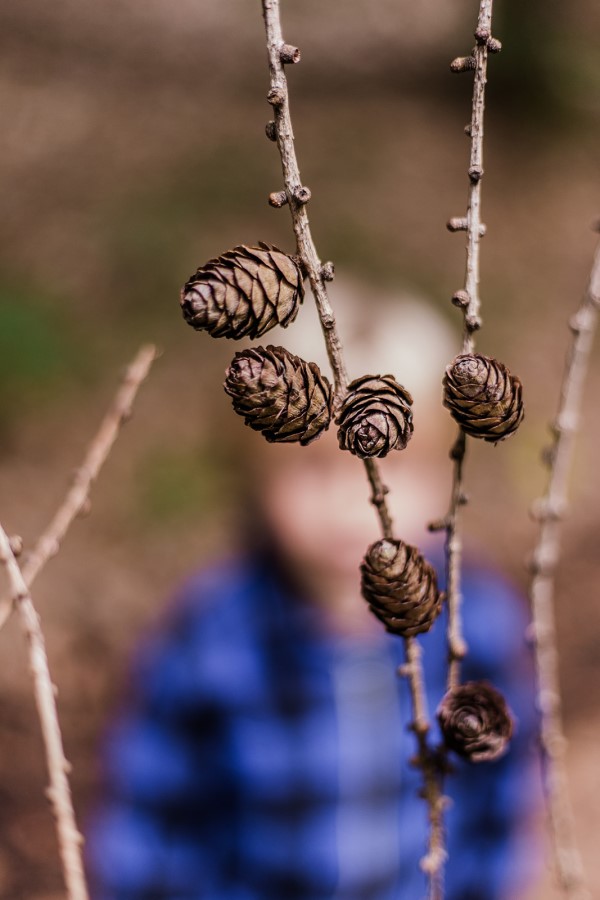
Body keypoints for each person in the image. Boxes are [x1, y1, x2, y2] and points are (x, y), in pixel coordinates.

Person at [86, 282, 540, 899]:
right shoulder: (209, 637)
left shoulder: (476, 622)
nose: (352, 500)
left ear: (446, 468)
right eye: (311, 465)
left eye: (390, 460)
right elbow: (147, 831)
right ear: (253, 471)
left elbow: (501, 806)